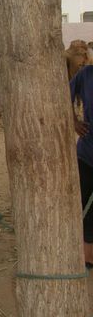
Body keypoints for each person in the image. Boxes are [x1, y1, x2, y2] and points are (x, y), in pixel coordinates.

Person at [70, 64, 93, 266]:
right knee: (82, 203)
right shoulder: (86, 74)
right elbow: (62, 96)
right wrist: (74, 121)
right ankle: (85, 255)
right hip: (87, 153)